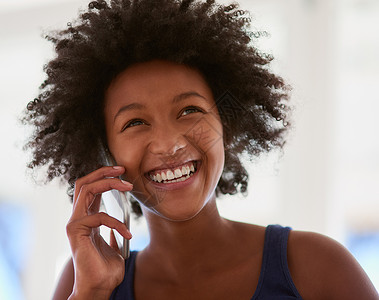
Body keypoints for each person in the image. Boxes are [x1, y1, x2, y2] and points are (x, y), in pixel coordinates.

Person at [23, 0, 378, 299]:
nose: (170, 144)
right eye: (134, 123)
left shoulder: (317, 267)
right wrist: (92, 293)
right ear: (104, 151)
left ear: (226, 124)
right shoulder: (84, 279)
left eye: (189, 111)